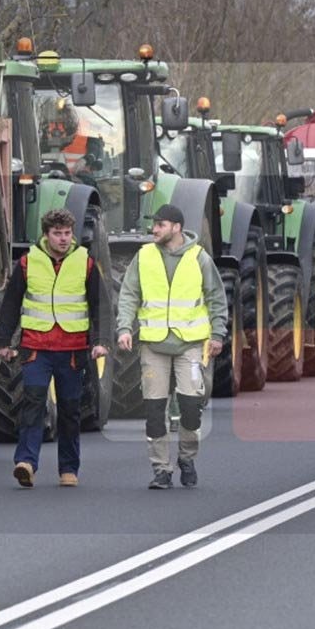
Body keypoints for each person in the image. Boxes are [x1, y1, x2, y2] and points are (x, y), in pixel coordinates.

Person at [0, 208, 109, 488]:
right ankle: (26, 463)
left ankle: (68, 469)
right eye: (57, 233)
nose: (63, 239)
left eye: (68, 233)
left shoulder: (86, 263)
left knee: (70, 410)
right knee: (32, 403)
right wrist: (3, 341)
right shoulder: (27, 263)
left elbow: (100, 306)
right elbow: (11, 303)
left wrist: (100, 342)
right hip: (36, 347)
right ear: (46, 235)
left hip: (72, 350)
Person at [116, 204, 228, 489]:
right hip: (153, 345)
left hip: (190, 345)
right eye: (154, 225)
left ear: (176, 227)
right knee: (155, 411)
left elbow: (216, 297)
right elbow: (129, 294)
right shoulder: (144, 257)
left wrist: (217, 334)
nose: (154, 230)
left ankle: (187, 458)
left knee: (191, 407)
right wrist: (125, 328)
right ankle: (161, 469)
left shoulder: (199, 258)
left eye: (160, 225)